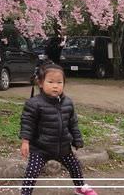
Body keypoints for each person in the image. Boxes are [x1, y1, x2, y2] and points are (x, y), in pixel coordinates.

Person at [19, 63, 98, 195]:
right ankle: (25, 192)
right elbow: (27, 123)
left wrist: (77, 139)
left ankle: (80, 187)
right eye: (50, 82)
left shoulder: (68, 103)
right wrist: (25, 142)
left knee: (75, 166)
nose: (55, 86)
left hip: (63, 147)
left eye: (59, 82)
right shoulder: (34, 104)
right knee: (32, 171)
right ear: (40, 83)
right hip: (40, 148)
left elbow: (73, 123)